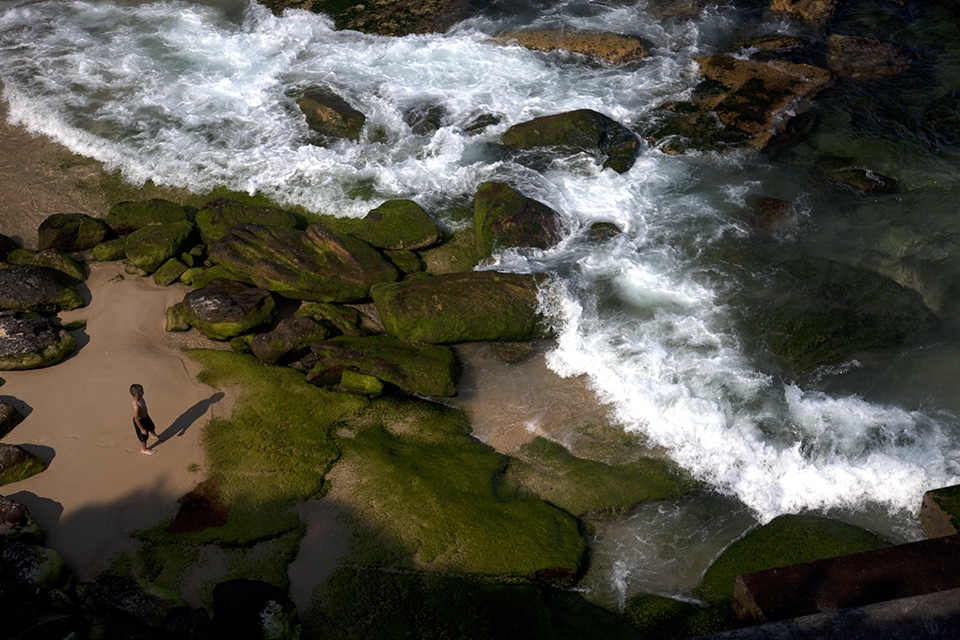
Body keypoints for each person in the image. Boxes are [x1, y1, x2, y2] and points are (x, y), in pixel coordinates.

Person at [130, 383, 162, 455]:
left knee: (151, 426)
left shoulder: (141, 398)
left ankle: (153, 435)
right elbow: (136, 419)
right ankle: (144, 449)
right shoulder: (136, 405)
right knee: (143, 436)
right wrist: (142, 429)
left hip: (146, 417)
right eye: (142, 391)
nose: (143, 392)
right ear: (137, 394)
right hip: (140, 421)